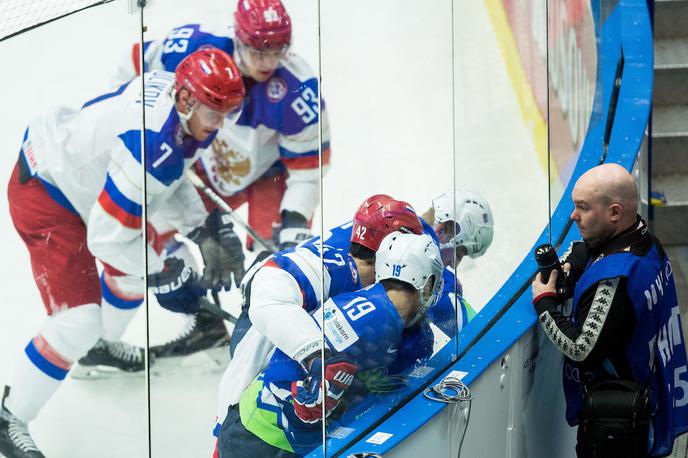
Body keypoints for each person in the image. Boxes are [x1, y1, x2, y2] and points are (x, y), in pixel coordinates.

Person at [0, 49, 245, 458]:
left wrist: (203, 226)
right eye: (214, 113)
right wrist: (166, 275)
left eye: (226, 113)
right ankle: (9, 416)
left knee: (145, 264)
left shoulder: (179, 105)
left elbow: (166, 174)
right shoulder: (150, 142)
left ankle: (99, 348)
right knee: (77, 320)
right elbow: (107, 238)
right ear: (186, 100)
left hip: (76, 177)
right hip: (45, 192)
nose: (220, 125)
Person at [115, 0, 330, 359]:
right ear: (238, 36)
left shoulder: (297, 87)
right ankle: (206, 323)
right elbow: (133, 64)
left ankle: (275, 341)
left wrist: (292, 220)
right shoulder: (194, 46)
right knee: (147, 225)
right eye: (258, 51)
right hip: (205, 163)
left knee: (279, 261)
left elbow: (308, 167)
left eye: (277, 51)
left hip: (269, 177)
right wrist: (127, 118)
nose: (268, 62)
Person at [217, 231, 445, 457]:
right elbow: (284, 372)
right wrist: (303, 400)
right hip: (259, 439)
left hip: (286, 441)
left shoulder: (403, 327)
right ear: (427, 285)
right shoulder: (369, 316)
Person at [531, 163, 688, 457]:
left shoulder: (613, 279)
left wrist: (545, 303)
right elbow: (603, 250)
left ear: (615, 213)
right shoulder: (647, 242)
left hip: (620, 423)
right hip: (648, 392)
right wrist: (579, 261)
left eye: (582, 208)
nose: (573, 216)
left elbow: (580, 347)